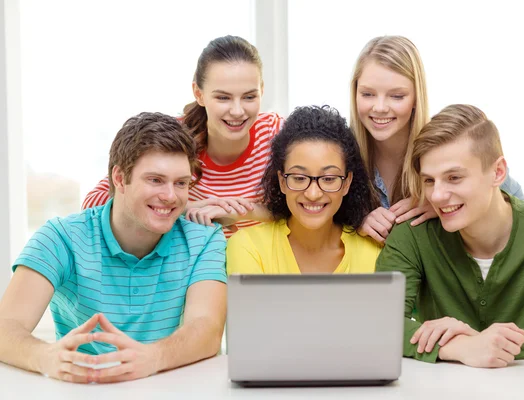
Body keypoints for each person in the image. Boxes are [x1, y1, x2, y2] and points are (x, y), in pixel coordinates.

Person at [0, 112, 227, 383]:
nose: (170, 196)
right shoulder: (60, 237)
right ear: (119, 178)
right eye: (155, 180)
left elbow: (207, 330)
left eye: (181, 183)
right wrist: (45, 357)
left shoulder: (205, 240)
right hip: (83, 390)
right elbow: (6, 328)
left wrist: (152, 358)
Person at [376, 104, 524, 367]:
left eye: (454, 177)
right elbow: (379, 326)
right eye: (429, 181)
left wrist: (494, 345)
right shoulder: (411, 235)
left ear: (498, 172)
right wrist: (459, 347)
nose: (436, 195)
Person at [82, 35, 282, 237]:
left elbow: (309, 207)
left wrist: (242, 211)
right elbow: (93, 204)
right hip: (187, 266)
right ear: (199, 94)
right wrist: (185, 207)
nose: (238, 111)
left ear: (262, 90)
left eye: (249, 96)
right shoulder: (172, 138)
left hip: (260, 265)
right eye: (223, 97)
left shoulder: (277, 133)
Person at [350, 36, 524, 243]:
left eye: (397, 96)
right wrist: (354, 219)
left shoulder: (444, 144)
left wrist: (444, 202)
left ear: (417, 97)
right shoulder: (338, 153)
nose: (379, 107)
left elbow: (513, 203)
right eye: (368, 94)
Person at [226, 105, 381, 274]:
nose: (313, 194)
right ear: (282, 181)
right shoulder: (248, 246)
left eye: (328, 179)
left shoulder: (374, 253)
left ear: (346, 183)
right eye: (299, 178)